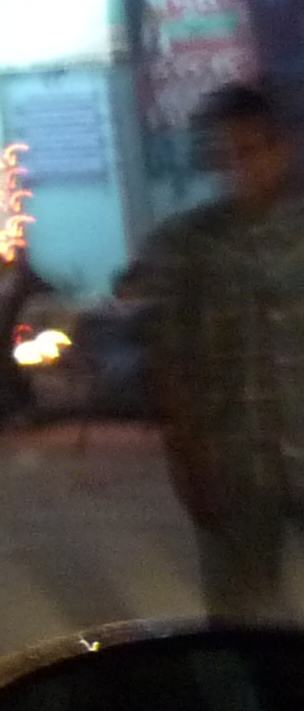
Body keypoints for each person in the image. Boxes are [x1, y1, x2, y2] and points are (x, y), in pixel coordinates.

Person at [130, 80, 304, 622]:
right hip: (235, 464)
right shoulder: (185, 246)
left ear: (283, 148)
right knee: (243, 623)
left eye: (249, 152)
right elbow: (169, 357)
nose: (238, 169)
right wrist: (187, 458)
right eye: (224, 157)